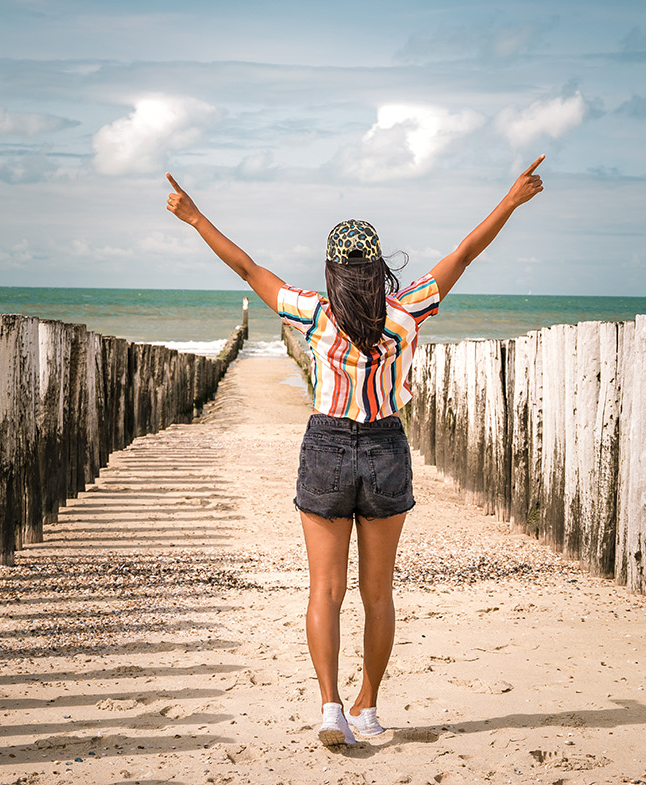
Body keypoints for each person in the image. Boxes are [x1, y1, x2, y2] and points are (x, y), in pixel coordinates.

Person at [164, 158, 545, 746]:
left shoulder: (316, 313)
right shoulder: (407, 309)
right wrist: (510, 200)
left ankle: (331, 707)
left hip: (328, 445)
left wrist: (194, 218)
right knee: (377, 592)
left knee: (325, 590)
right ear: (377, 267)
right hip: (386, 445)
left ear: (332, 270)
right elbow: (465, 254)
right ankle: (369, 705)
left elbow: (247, 268)